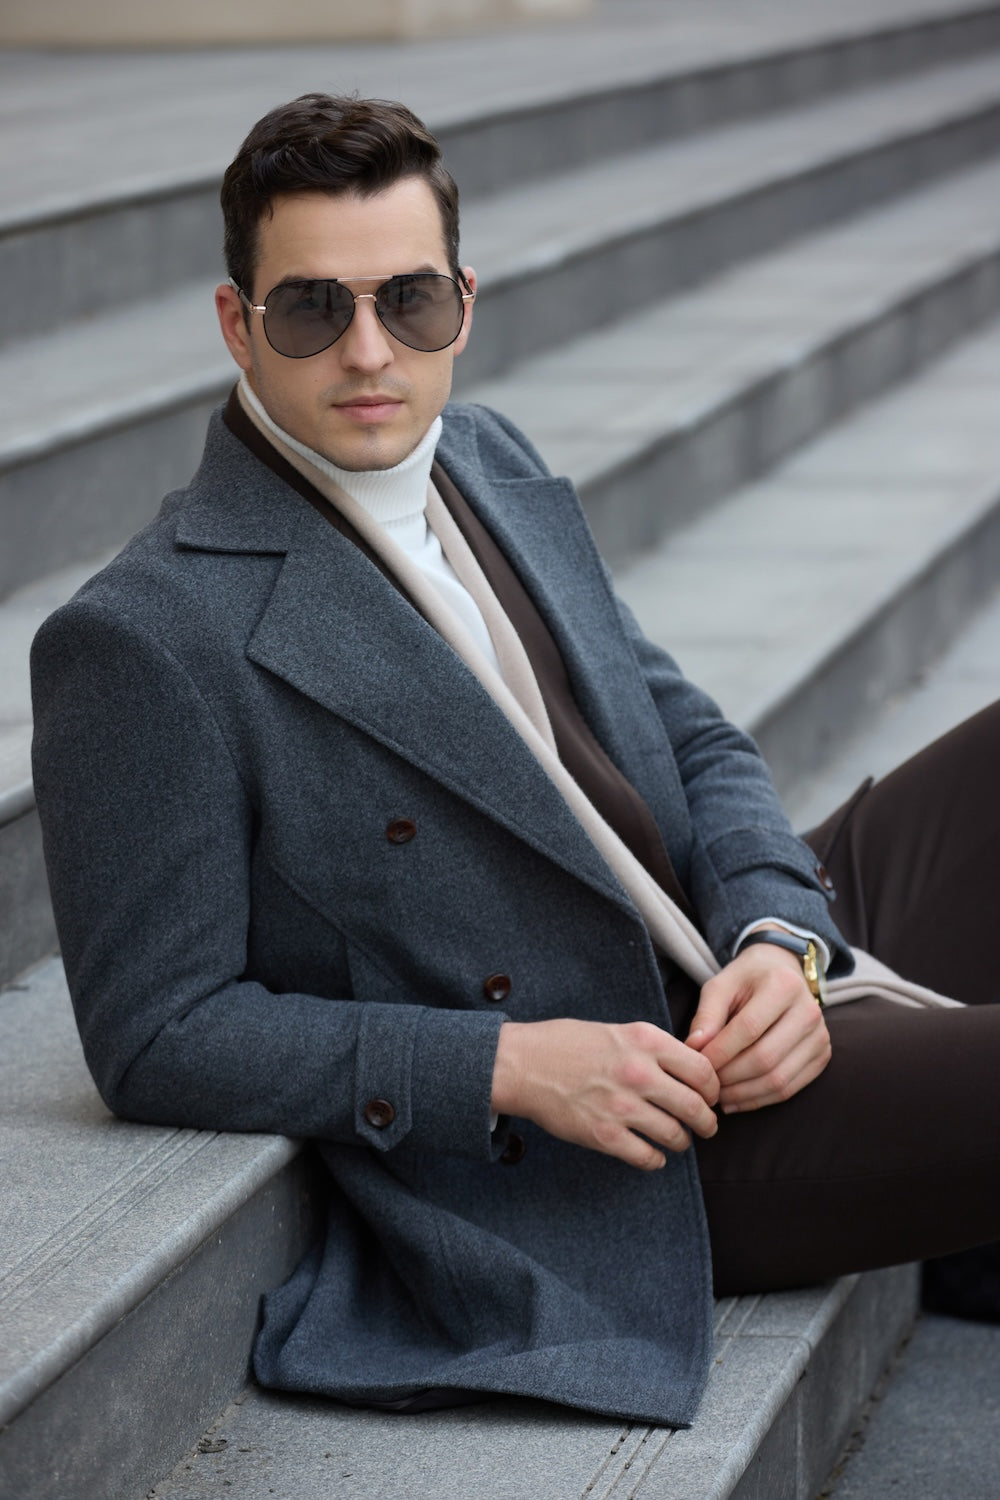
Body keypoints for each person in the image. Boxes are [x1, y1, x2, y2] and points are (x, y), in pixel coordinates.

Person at [29, 93, 1000, 1428]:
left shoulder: (486, 457)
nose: (370, 352)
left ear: (464, 302)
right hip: (627, 1133)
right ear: (235, 323)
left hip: (717, 961)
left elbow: (693, 736)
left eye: (409, 301)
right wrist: (509, 1067)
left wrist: (782, 930)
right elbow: (159, 1034)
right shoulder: (145, 636)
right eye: (313, 308)